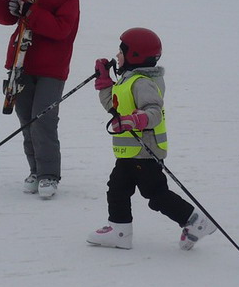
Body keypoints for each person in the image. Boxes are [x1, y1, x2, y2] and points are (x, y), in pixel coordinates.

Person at [87, 28, 217, 250]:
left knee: (155, 194)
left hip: (144, 151)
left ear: (135, 55)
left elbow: (154, 112)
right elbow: (115, 108)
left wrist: (133, 121)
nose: (117, 56)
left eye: (121, 51)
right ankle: (119, 230)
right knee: (117, 188)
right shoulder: (128, 81)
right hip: (131, 152)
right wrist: (104, 83)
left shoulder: (142, 82)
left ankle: (195, 221)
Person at [0, 0, 80, 199]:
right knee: (26, 120)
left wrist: (31, 11)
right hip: (21, 62)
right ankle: (35, 171)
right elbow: (6, 17)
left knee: (44, 120)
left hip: (52, 67)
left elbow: (62, 30)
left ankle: (49, 174)